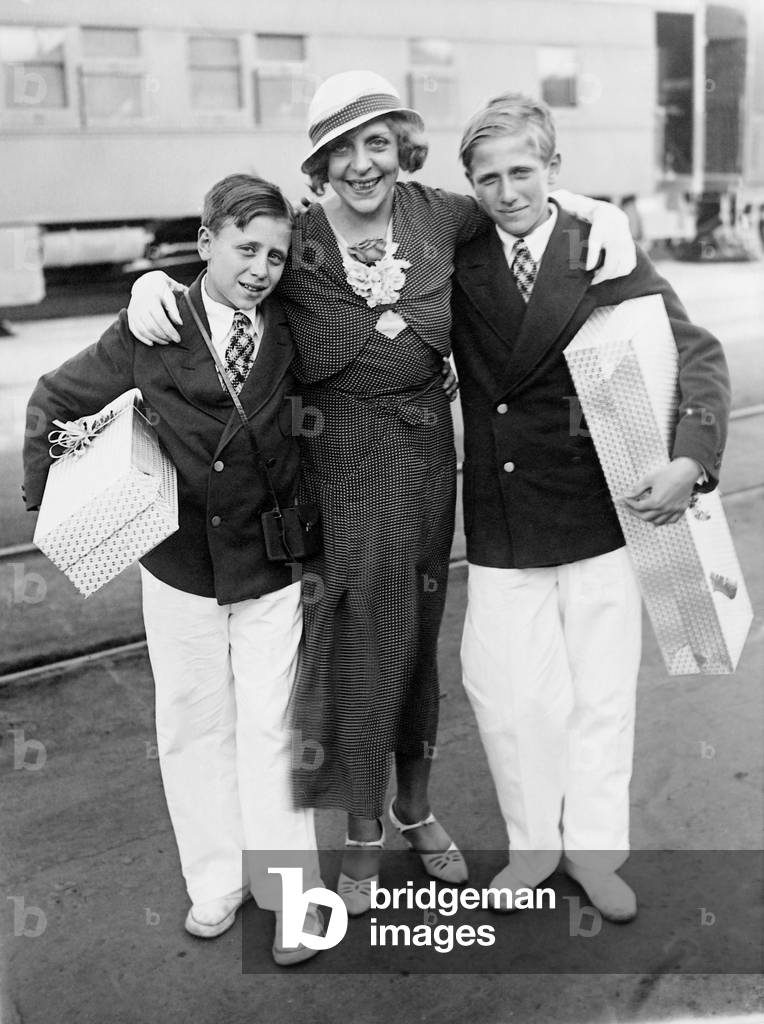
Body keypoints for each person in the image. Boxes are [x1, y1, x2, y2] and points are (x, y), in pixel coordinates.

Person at [125, 70, 637, 917]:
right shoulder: (293, 237)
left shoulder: (441, 214)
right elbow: (224, 280)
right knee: (355, 643)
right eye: (342, 147)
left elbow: (524, 202)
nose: (363, 164)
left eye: (378, 142)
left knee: (418, 641)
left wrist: (606, 213)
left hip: (425, 460)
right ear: (320, 159)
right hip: (331, 465)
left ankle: (416, 806)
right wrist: (155, 286)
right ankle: (363, 831)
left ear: (401, 145)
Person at [22, 174, 325, 964]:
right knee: (193, 724)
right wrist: (57, 482)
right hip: (181, 562)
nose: (260, 268)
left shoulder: (294, 323)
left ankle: (290, 893)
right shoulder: (152, 324)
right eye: (244, 248)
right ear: (205, 244)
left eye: (274, 254)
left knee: (275, 728)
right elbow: (55, 399)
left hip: (274, 562)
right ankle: (217, 880)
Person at [451, 93, 731, 920]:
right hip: (503, 519)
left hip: (604, 508)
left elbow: (696, 351)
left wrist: (691, 458)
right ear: (469, 184)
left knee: (603, 695)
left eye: (524, 172)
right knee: (511, 698)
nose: (507, 192)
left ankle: (595, 853)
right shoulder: (456, 250)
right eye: (488, 177)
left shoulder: (595, 244)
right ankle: (534, 847)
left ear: (554, 169)